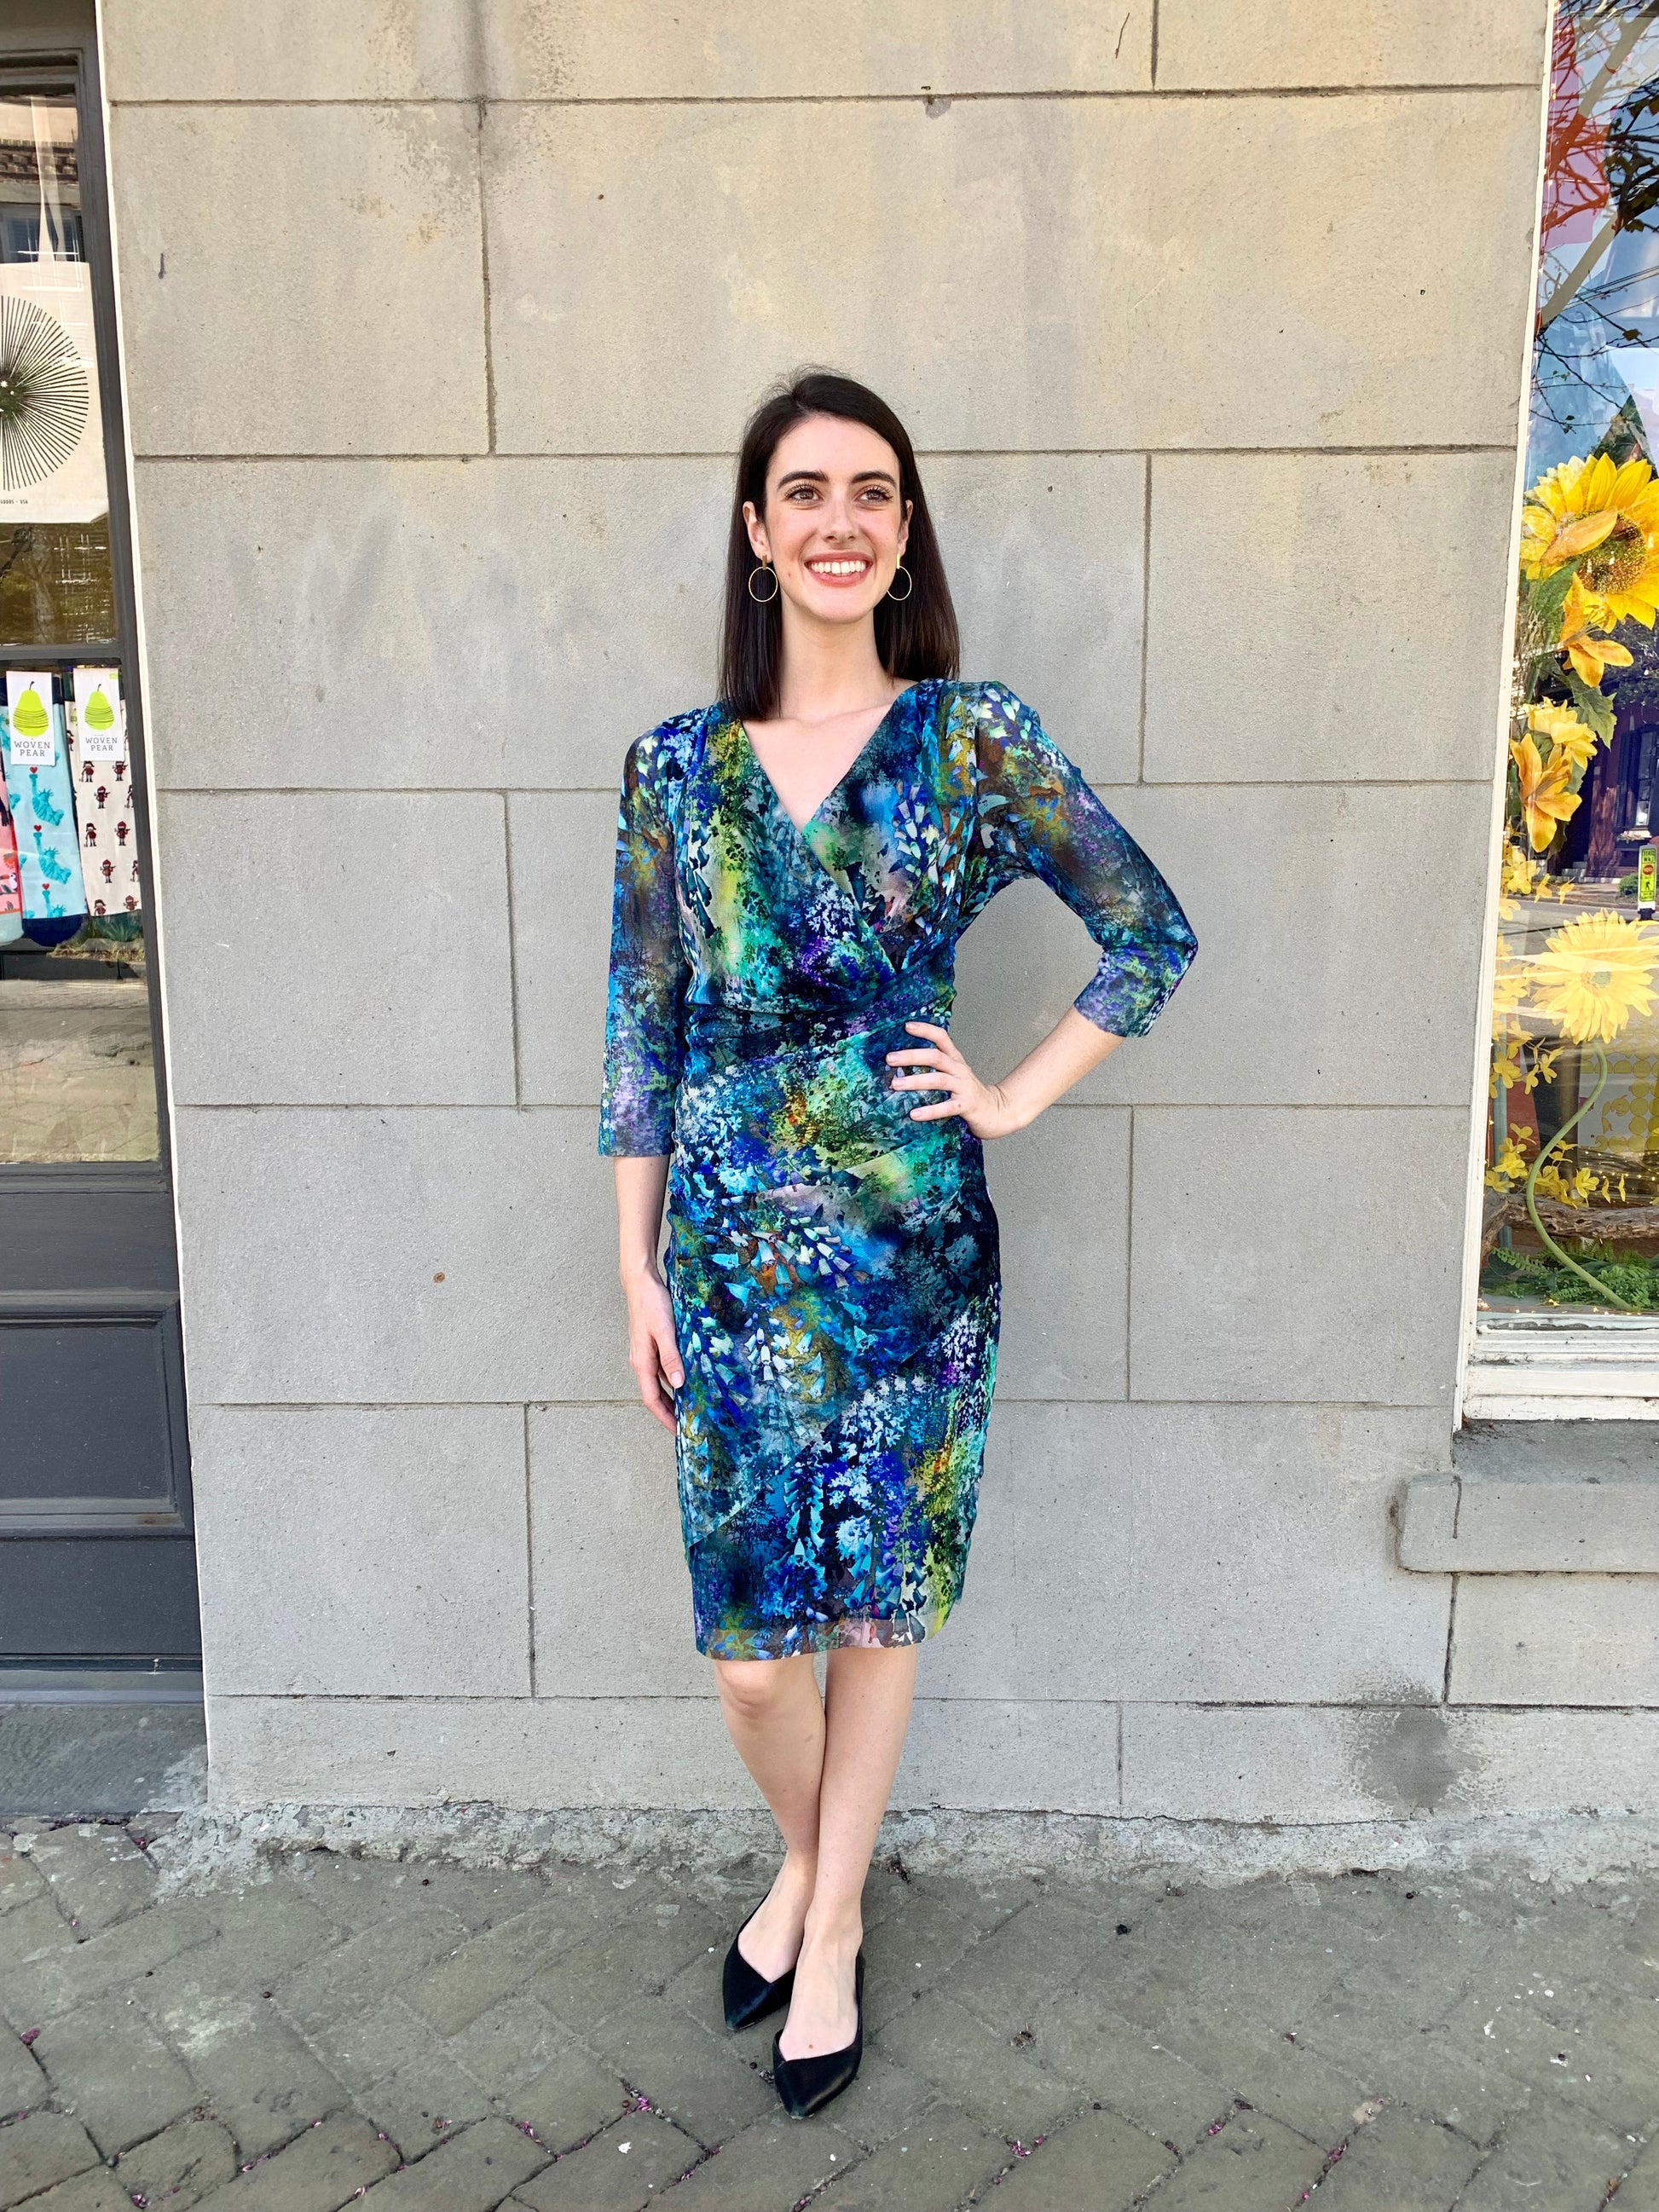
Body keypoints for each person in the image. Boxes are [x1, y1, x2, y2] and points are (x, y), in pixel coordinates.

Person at [599, 369, 1197, 2119]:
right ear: (755, 531)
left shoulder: (967, 739)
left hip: (907, 1262)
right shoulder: (674, 769)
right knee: (751, 1661)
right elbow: (640, 1031)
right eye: (804, 492)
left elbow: (1149, 933)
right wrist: (631, 1268)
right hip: (723, 1265)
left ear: (904, 527)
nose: (840, 521)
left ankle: (831, 1919)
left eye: (871, 491)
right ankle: (813, 1864)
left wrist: (1009, 1095)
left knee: (875, 1603)